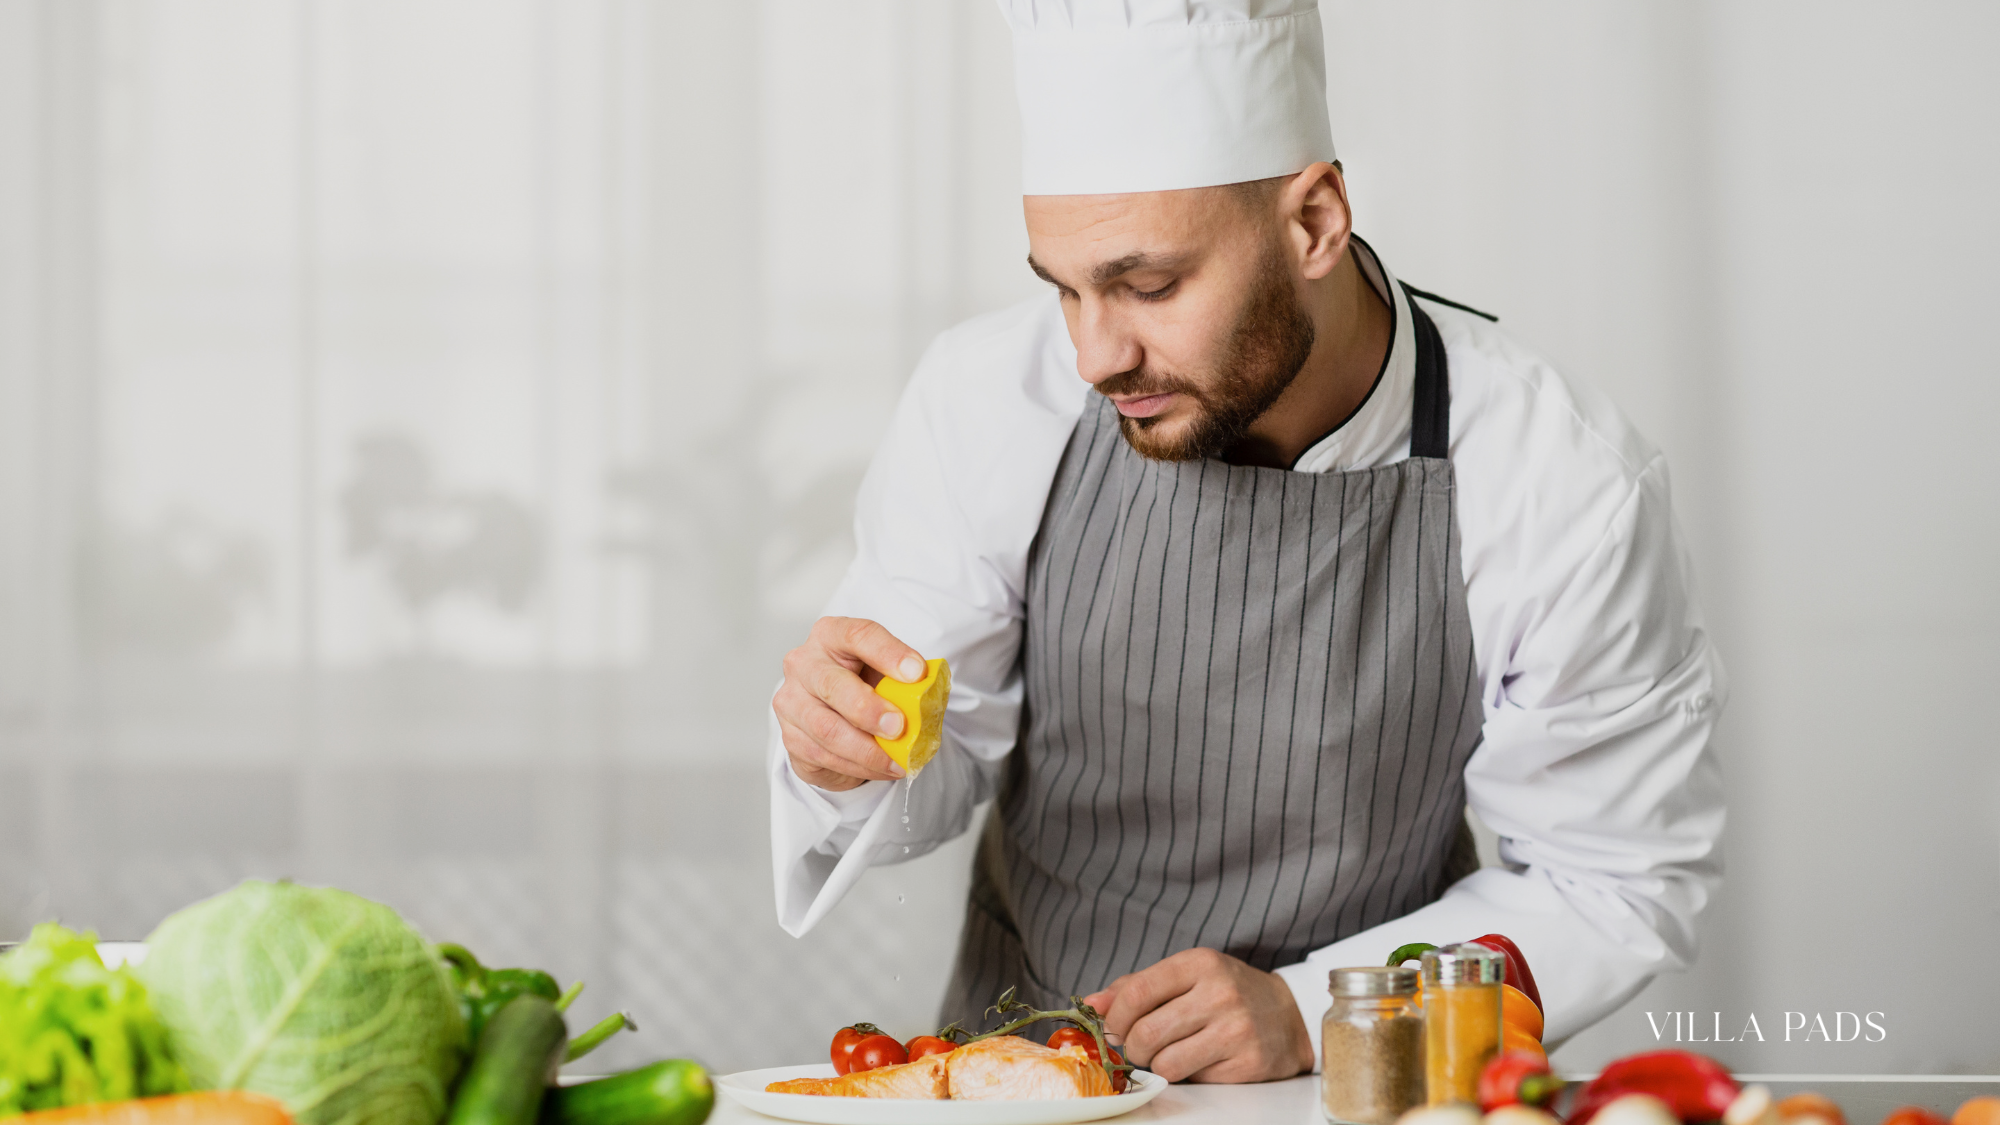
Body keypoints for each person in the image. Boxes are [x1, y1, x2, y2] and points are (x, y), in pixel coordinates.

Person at [768, 0, 1725, 1084]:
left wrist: (1319, 1011)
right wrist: (840, 754)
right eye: (1065, 290)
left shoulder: (1557, 475)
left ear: (1313, 221)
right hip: (1021, 1082)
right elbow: (927, 777)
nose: (1094, 355)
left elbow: (1613, 883)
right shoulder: (986, 399)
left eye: (1147, 286)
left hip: (1363, 1087)